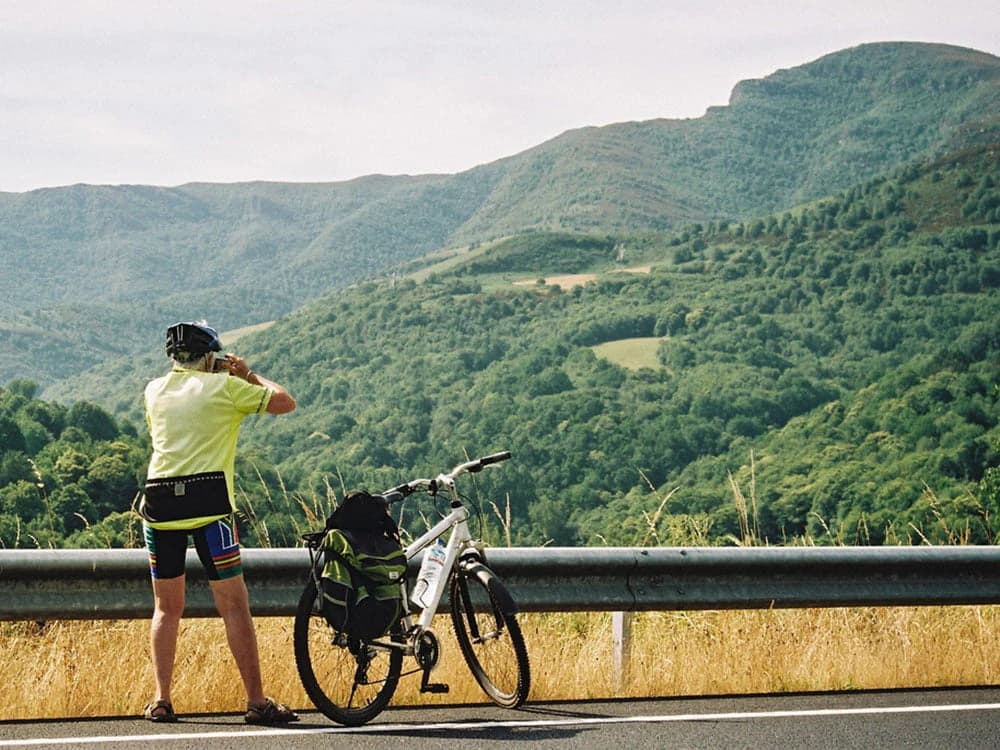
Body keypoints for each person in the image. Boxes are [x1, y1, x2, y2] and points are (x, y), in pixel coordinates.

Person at [140, 321, 299, 725]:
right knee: (234, 605)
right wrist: (245, 373)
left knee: (166, 607)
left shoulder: (153, 391)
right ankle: (257, 702)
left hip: (159, 508)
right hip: (210, 509)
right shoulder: (225, 388)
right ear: (211, 356)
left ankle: (161, 700)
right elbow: (284, 402)